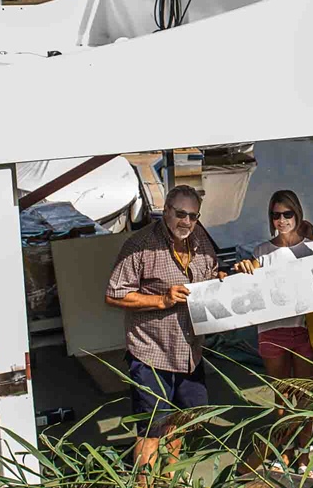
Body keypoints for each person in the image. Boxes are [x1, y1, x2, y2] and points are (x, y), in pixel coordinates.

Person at [105, 185, 222, 479]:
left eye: (193, 216)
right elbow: (114, 294)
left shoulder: (201, 240)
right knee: (152, 429)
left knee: (184, 419)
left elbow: (212, 274)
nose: (187, 221)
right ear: (166, 210)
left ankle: (169, 478)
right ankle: (145, 482)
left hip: (190, 351)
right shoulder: (140, 244)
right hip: (152, 351)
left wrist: (222, 278)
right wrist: (161, 300)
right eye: (180, 214)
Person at [233, 189, 313, 471]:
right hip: (272, 331)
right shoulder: (262, 251)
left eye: (288, 214)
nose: (282, 220)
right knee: (282, 397)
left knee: (306, 396)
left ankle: (304, 453)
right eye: (276, 215)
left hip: (306, 330)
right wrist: (242, 268)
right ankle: (283, 451)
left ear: (298, 214)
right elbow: (249, 283)